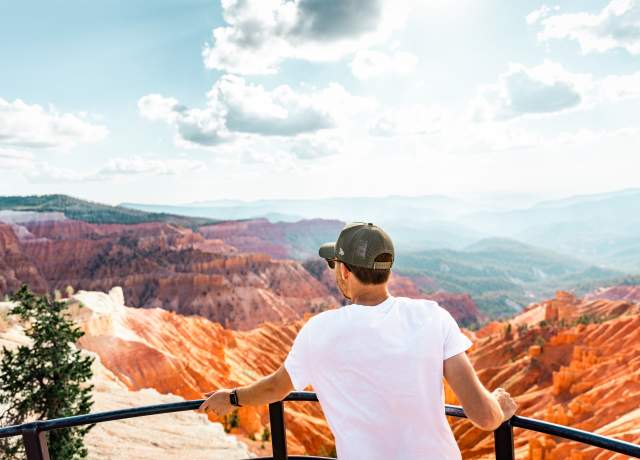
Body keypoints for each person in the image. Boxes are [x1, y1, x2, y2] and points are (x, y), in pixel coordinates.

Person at [197, 221, 518, 459]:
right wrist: (500, 406)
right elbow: (485, 417)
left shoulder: (319, 330)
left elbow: (276, 388)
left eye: (334, 264)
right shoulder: (433, 316)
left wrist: (233, 397)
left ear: (346, 272)